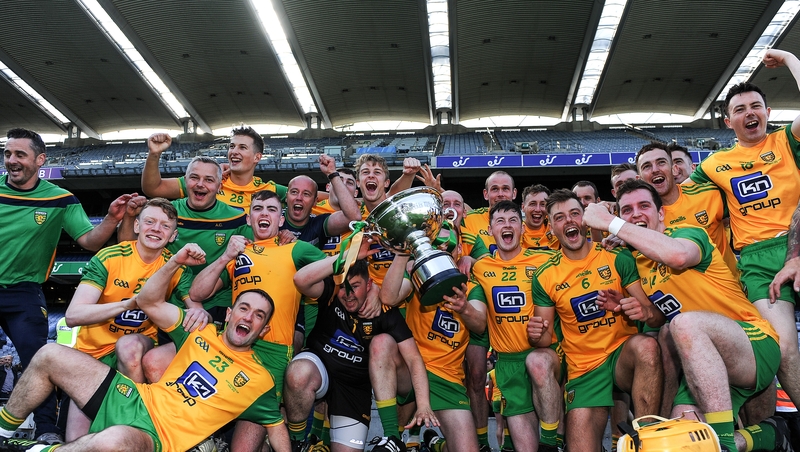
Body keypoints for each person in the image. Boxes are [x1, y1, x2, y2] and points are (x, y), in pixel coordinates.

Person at [0, 243, 278, 452]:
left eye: (258, 315)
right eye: (244, 308)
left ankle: (36, 450)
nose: (248, 317)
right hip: (131, 395)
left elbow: (276, 427)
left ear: (264, 329)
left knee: (108, 441)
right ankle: (3, 432)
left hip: (157, 435)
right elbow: (148, 301)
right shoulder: (199, 330)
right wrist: (174, 262)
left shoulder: (259, 379)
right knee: (49, 354)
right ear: (229, 314)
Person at [584, 179, 791, 452]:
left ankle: (724, 443)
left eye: (644, 206)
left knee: (682, 323)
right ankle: (769, 435)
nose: (635, 214)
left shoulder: (687, 234)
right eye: (627, 210)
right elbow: (659, 318)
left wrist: (609, 222)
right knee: (682, 442)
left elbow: (679, 256)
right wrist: (641, 310)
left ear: (661, 213)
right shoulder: (636, 260)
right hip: (703, 366)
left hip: (751, 343)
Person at [0, 128, 139, 443]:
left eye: (20, 154)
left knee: (39, 359)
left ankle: (47, 430)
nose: (11, 160)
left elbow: (89, 241)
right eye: (7, 154)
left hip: (24, 292)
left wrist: (111, 219)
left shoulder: (60, 199)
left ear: (40, 159)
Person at [689, 49, 800, 409]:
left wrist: (789, 58)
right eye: (740, 109)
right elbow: (678, 199)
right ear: (728, 121)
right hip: (756, 262)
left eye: (756, 106)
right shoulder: (713, 165)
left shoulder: (786, 141)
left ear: (768, 112)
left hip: (796, 243)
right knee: (784, 348)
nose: (749, 113)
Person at [190, 189, 327, 452]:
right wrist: (226, 256)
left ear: (281, 220)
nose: (264, 214)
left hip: (271, 354)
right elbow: (197, 293)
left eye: (272, 210)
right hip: (231, 349)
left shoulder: (295, 249)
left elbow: (335, 265)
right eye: (258, 209)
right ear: (249, 218)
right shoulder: (238, 253)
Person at [527, 189, 663, 451]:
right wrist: (534, 334)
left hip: (621, 357)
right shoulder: (545, 276)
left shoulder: (617, 257)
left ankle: (646, 437)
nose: (569, 221)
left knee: (647, 345)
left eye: (575, 213)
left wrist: (640, 311)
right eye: (559, 217)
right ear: (551, 228)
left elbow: (654, 317)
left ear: (586, 220)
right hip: (584, 369)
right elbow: (543, 339)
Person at [62, 198, 205, 441]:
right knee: (75, 442)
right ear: (137, 226)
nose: (156, 229)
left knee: (128, 346)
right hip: (93, 354)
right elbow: (73, 315)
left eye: (165, 226)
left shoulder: (176, 266)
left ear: (173, 235)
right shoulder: (110, 257)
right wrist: (127, 304)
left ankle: (136, 417)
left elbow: (197, 310)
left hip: (136, 350)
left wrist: (199, 312)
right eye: (150, 222)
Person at [284, 257, 438, 452]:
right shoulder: (331, 292)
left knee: (382, 342)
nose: (348, 294)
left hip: (353, 386)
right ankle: (296, 442)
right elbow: (301, 280)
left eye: (355, 286)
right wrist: (348, 254)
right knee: (299, 372)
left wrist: (423, 404)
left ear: (369, 285)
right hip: (320, 369)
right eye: (343, 287)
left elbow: (414, 359)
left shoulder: (384, 311)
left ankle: (392, 439)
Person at [467, 201, 561, 452]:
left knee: (537, 362)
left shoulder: (546, 259)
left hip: (546, 354)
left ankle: (550, 444)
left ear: (522, 228)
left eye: (513, 220)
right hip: (508, 365)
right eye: (500, 221)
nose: (507, 226)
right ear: (490, 230)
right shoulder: (480, 268)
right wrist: (466, 259)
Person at [460, 170, 517, 452]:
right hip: (479, 302)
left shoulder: (525, 221)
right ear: (485, 194)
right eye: (494, 189)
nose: (500, 193)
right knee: (476, 375)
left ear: (514, 194)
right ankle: (481, 441)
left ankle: (516, 439)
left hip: (511, 309)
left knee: (515, 374)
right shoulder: (470, 219)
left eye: (505, 188)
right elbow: (450, 212)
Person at [635, 143, 738, 279]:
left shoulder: (708, 194)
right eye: (647, 166)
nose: (655, 170)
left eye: (661, 162)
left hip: (729, 287)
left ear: (674, 169)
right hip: (685, 292)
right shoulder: (641, 219)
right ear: (639, 179)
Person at [141, 127, 287, 211]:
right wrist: (154, 154)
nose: (234, 151)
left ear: (257, 157)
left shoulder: (270, 190)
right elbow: (153, 188)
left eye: (242, 147)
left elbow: (301, 198)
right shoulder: (206, 182)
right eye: (232, 146)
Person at [521, 184, 559, 250]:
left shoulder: (557, 228)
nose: (538, 209)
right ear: (523, 207)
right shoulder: (515, 230)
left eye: (542, 204)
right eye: (533, 204)